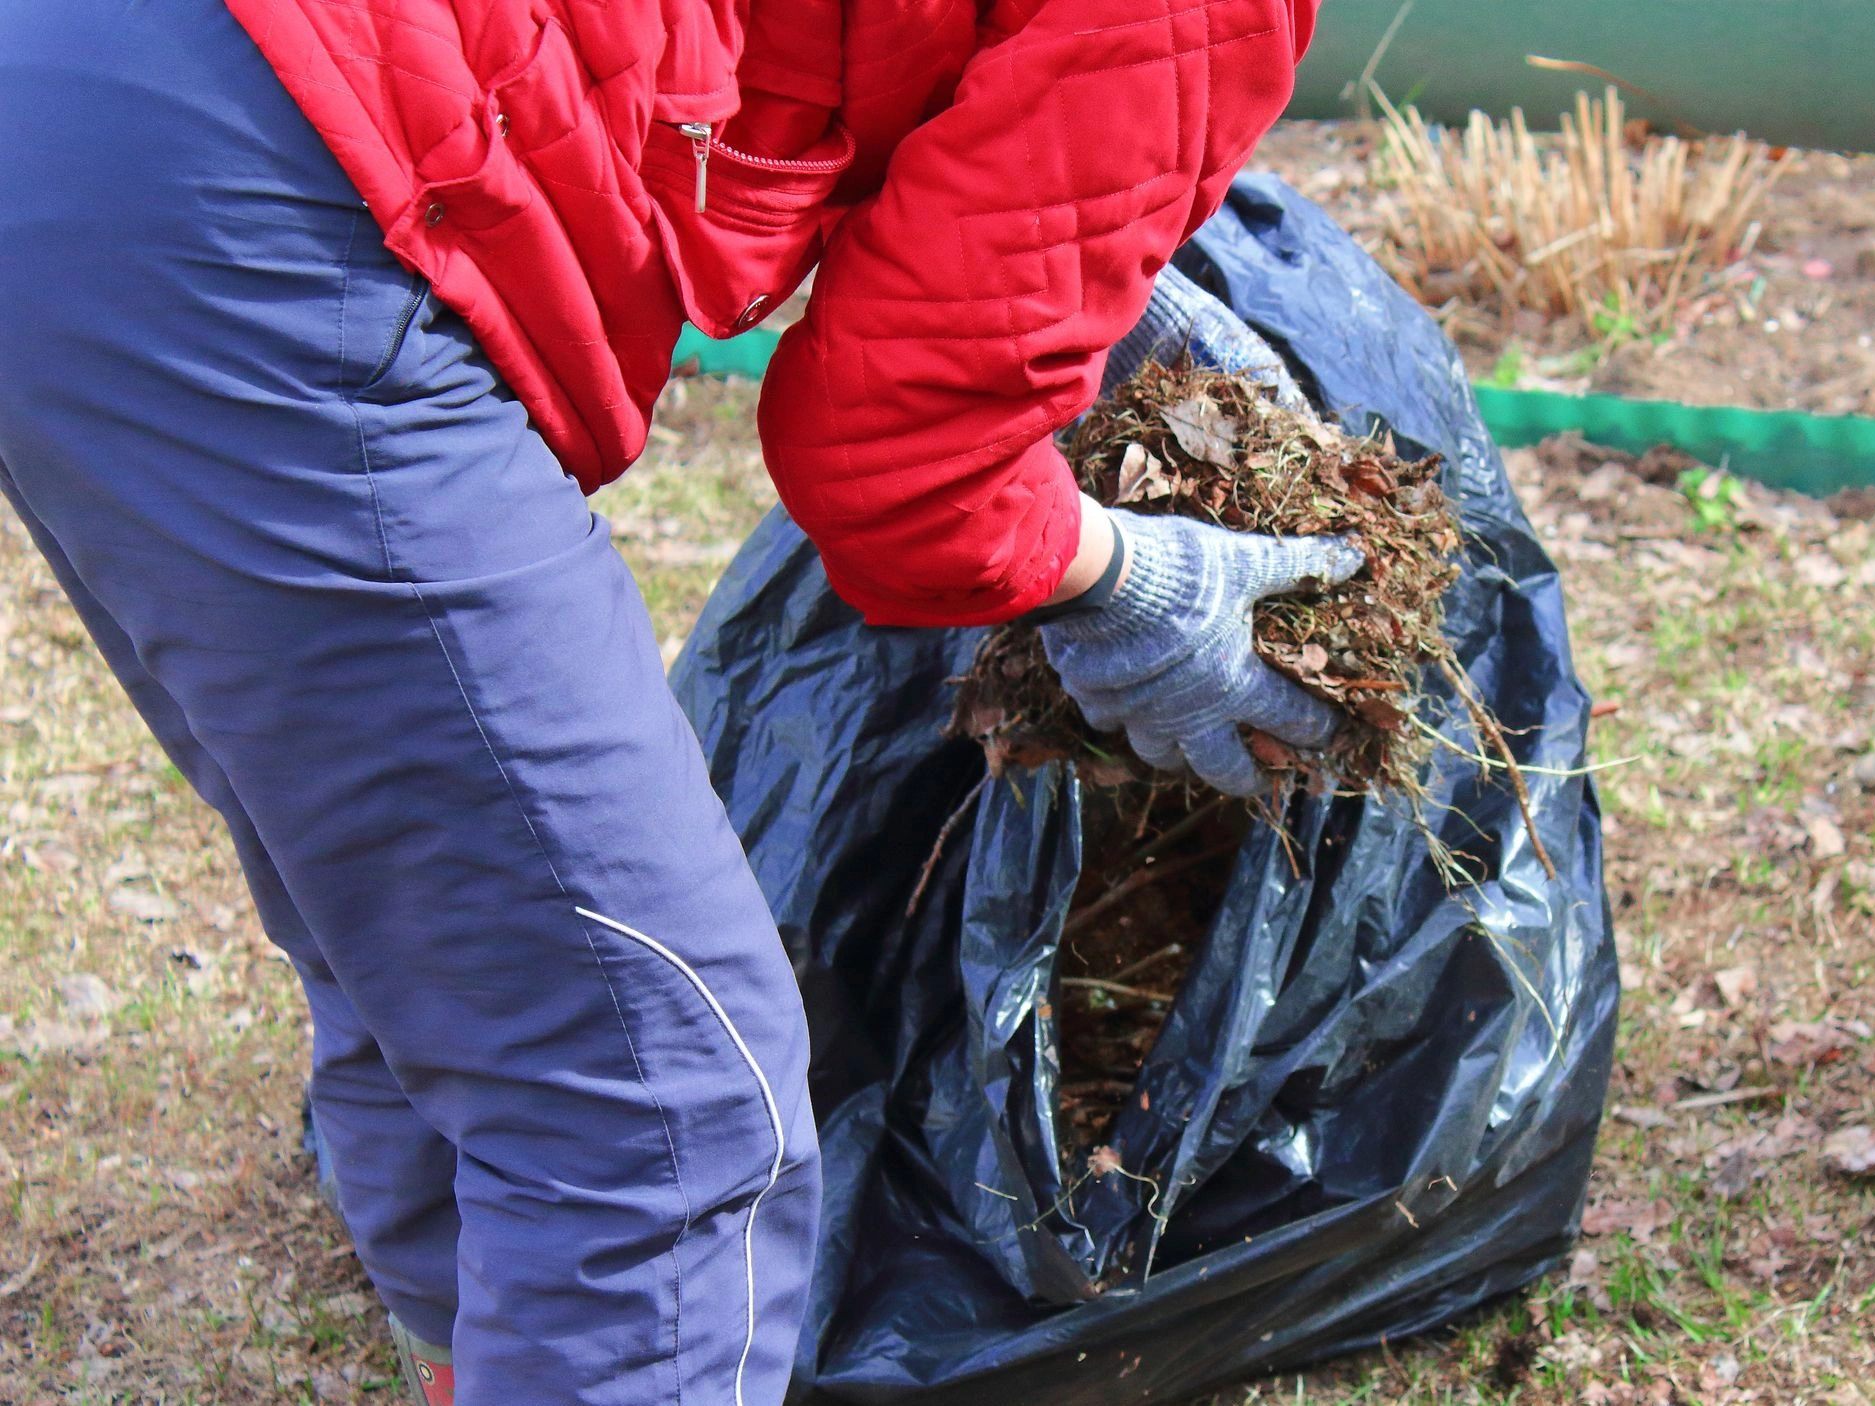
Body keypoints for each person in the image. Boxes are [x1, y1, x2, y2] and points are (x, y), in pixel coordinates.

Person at [0, 0, 1349, 1400]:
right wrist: (1130, 576)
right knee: (653, 1101)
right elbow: (900, 458)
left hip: (78, 107)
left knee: (440, 929)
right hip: (281, 176)